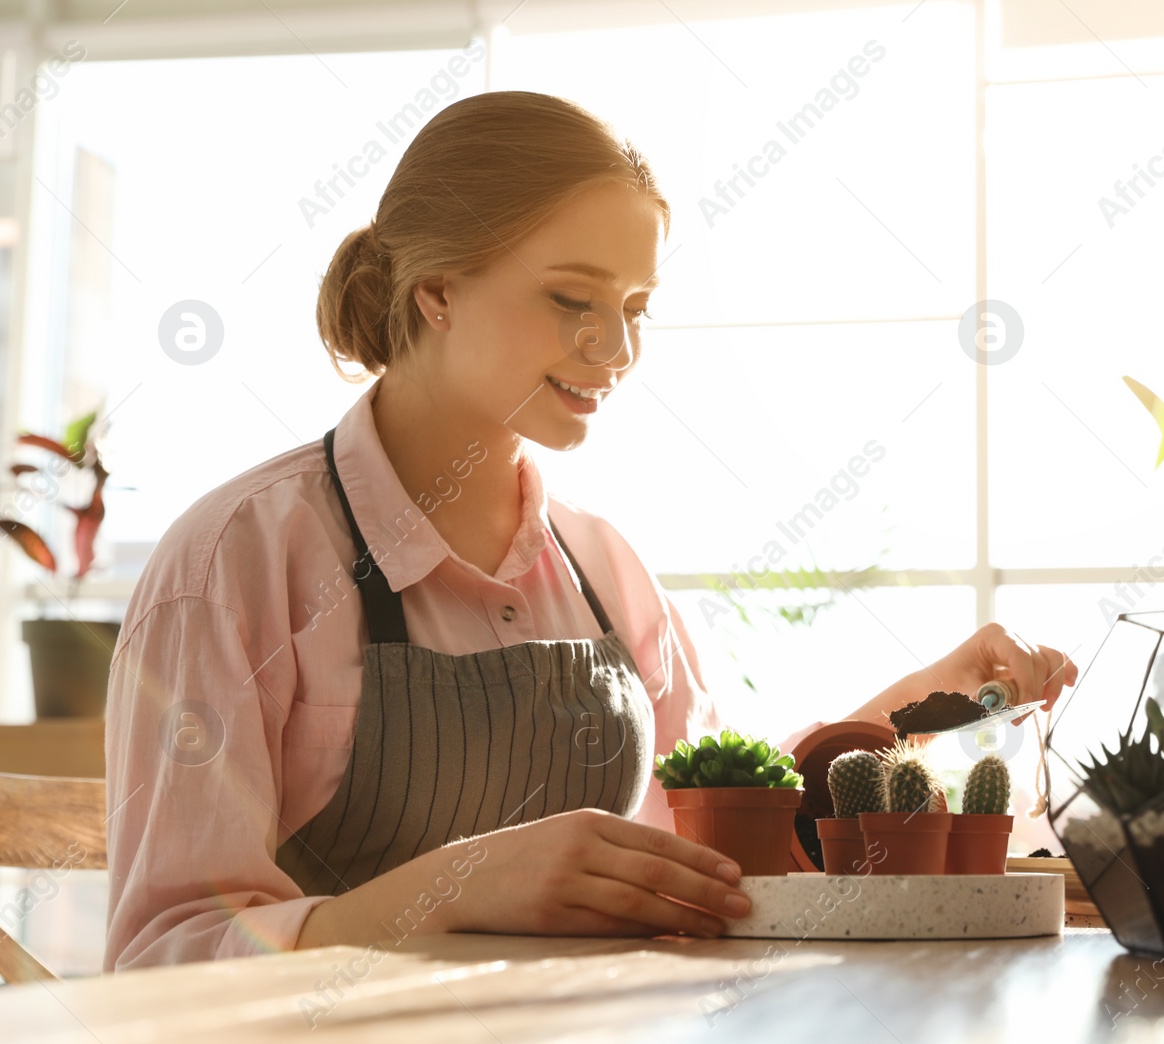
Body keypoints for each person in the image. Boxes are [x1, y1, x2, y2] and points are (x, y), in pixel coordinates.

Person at [103, 91, 1076, 970]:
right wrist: (458, 888)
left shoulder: (603, 565)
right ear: (436, 290)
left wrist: (923, 700)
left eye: (635, 308)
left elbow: (719, 822)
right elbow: (162, 953)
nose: (615, 349)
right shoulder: (236, 564)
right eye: (573, 300)